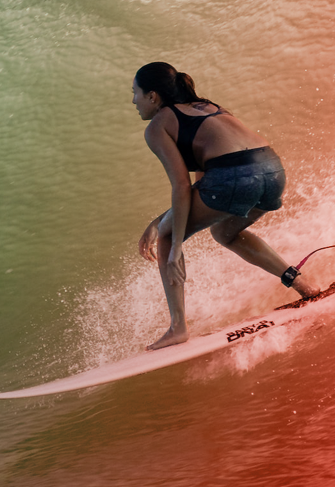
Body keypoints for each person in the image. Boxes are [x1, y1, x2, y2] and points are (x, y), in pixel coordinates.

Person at [132, 61, 321, 350]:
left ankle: (178, 327)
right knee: (225, 234)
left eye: (135, 93)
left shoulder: (159, 125)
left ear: (153, 96)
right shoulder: (207, 107)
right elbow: (201, 186)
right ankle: (302, 285)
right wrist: (160, 219)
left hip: (235, 177)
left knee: (168, 237)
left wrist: (173, 243)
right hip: (272, 171)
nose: (133, 101)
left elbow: (181, 186)